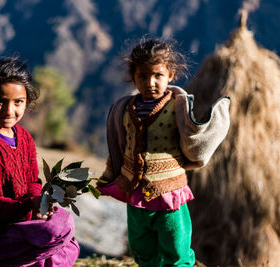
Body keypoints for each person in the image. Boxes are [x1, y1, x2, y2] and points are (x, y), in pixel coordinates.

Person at [97, 38, 230, 266]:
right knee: (142, 250)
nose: (150, 82)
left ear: (171, 75)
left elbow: (193, 137)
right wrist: (109, 176)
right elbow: (121, 147)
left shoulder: (178, 107)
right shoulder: (125, 110)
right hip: (136, 194)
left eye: (158, 75)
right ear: (133, 76)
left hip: (169, 194)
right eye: (143, 76)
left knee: (176, 249)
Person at [0, 56, 80, 266]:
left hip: (21, 228)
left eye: (18, 102)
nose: (10, 111)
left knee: (65, 225)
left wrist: (41, 204)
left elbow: (32, 182)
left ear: (27, 102)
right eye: (0, 101)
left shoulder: (25, 139)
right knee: (56, 234)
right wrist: (27, 205)